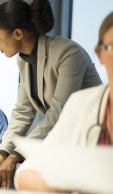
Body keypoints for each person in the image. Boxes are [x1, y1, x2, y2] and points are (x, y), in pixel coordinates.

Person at [0, 0, 102, 188]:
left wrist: (15, 156)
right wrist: (1, 154)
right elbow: (23, 111)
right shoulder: (23, 60)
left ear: (17, 33)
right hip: (67, 141)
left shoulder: (68, 53)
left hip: (95, 142)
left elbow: (58, 113)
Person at [15, 12, 113, 192]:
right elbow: (28, 172)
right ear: (100, 54)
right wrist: (55, 186)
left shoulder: (69, 53)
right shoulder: (82, 105)